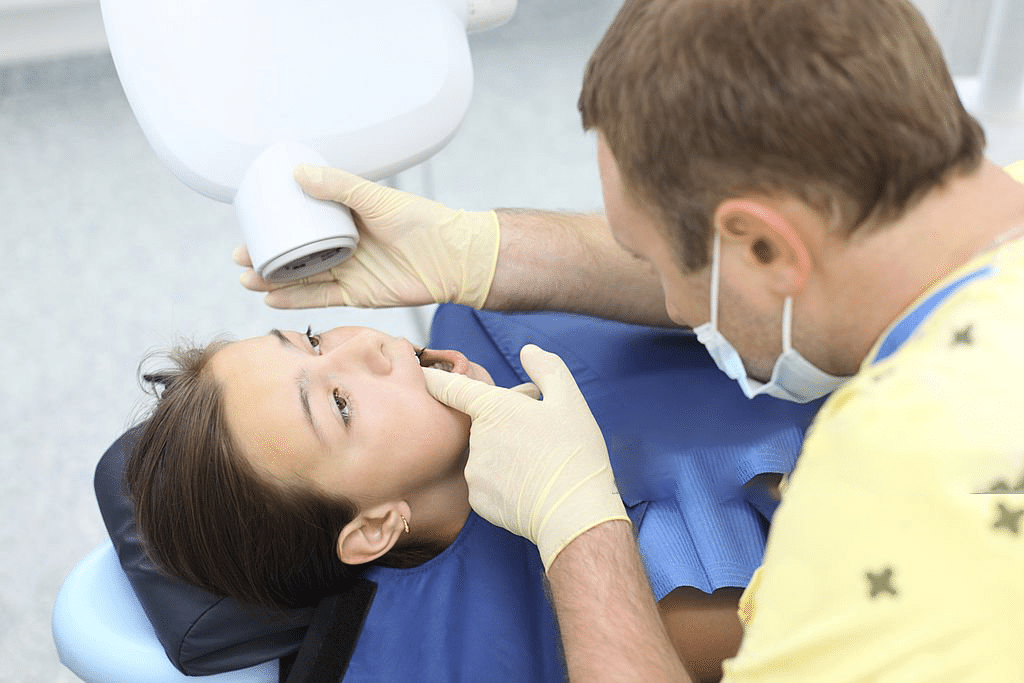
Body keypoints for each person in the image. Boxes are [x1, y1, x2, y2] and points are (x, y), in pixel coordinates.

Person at [233, 0, 1024, 679]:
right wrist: (481, 252)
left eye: (658, 261)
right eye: (332, 392)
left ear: (765, 245)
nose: (673, 305)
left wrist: (578, 525)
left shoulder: (900, 486)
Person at [124, 307, 820, 682]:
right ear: (375, 527)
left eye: (310, 338)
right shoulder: (656, 598)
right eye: (339, 403)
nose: (368, 346)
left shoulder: (488, 318)